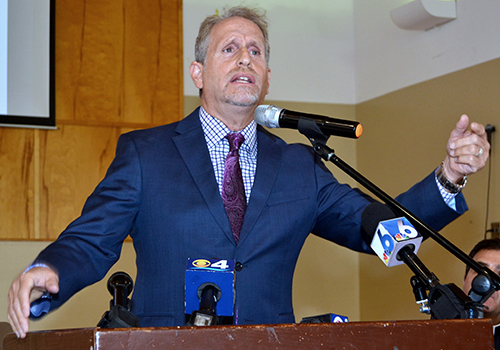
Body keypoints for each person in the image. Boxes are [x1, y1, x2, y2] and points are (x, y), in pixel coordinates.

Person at [8, 6, 490, 338]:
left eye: (256, 51)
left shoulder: (300, 165)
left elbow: (379, 232)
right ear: (197, 72)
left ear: (268, 78)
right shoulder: (145, 154)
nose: (245, 58)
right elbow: (91, 241)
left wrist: (449, 176)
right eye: (230, 48)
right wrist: (48, 271)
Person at [463, 238, 500, 349]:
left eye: (499, 274)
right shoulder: (437, 334)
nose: (487, 283)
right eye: (480, 271)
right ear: (465, 279)